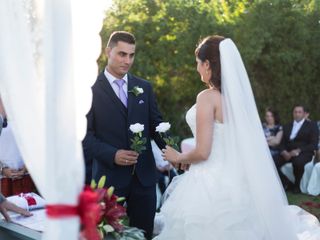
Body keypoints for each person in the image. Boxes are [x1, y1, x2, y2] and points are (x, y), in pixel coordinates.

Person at [154, 36, 320, 239]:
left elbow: (203, 152)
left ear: (207, 64)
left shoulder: (207, 97)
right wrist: (190, 161)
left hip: (209, 185)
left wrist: (177, 157)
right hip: (236, 182)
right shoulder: (236, 103)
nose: (197, 68)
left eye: (197, 63)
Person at [82, 31, 166, 239]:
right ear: (108, 51)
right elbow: (84, 137)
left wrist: (172, 151)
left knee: (144, 235)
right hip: (108, 180)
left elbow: (157, 126)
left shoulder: (144, 88)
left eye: (131, 55)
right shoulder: (89, 89)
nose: (127, 60)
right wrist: (113, 154)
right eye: (121, 54)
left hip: (144, 180)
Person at [276, 105, 318, 193]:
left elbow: (313, 144)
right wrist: (284, 152)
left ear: (304, 114)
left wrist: (298, 150)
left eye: (299, 112)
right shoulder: (287, 126)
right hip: (287, 153)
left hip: (304, 152)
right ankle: (287, 183)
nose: (297, 114)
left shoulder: (312, 125)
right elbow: (282, 143)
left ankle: (297, 186)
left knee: (298, 162)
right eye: (295, 112)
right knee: (272, 162)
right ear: (293, 113)